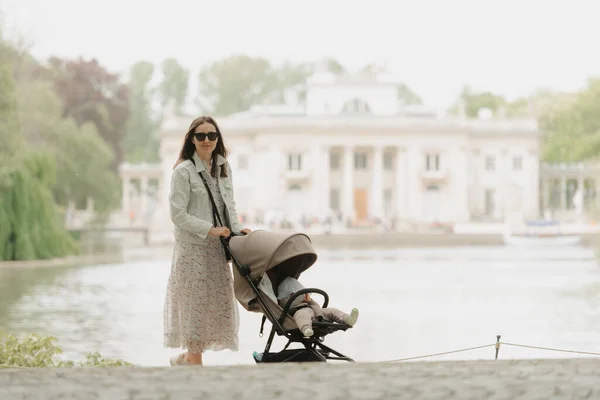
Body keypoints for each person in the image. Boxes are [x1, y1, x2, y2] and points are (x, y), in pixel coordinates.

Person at [164, 116, 251, 366]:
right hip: (192, 250)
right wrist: (210, 229)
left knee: (210, 309)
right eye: (200, 135)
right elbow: (177, 214)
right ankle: (195, 365)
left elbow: (229, 205)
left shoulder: (223, 167)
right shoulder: (183, 171)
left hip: (217, 252)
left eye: (211, 135)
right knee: (194, 309)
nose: (206, 140)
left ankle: (185, 360)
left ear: (217, 139)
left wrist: (236, 229)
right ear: (192, 138)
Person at [277, 277, 359, 337]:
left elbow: (317, 307)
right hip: (301, 319)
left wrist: (309, 301)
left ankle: (347, 319)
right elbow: (287, 305)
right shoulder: (289, 306)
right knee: (302, 315)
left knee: (332, 310)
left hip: (318, 315)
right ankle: (306, 328)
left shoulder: (305, 302)